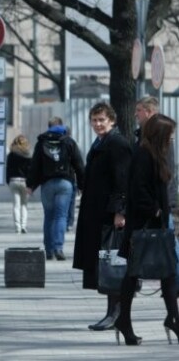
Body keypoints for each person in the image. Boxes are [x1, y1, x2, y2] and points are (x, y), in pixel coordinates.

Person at [115, 113, 179, 345]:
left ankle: (173, 317)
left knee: (168, 273)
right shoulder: (144, 155)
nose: (172, 139)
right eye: (169, 135)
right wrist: (156, 211)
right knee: (133, 275)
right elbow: (138, 191)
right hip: (144, 227)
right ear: (159, 135)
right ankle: (124, 320)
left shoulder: (155, 154)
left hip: (154, 227)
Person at [72, 102, 131, 332]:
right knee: (106, 263)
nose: (97, 124)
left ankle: (116, 314)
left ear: (112, 120)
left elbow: (122, 180)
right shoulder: (102, 142)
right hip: (97, 213)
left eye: (101, 120)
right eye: (94, 120)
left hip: (109, 216)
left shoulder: (117, 144)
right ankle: (112, 312)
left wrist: (120, 211)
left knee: (113, 263)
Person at [27, 116, 85, 261]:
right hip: (65, 184)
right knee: (61, 216)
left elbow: (35, 166)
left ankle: (48, 250)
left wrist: (30, 185)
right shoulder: (69, 142)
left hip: (47, 184)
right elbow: (79, 164)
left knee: (49, 216)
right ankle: (58, 248)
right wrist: (82, 185)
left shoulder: (41, 143)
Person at [6, 134, 32, 234]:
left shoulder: (11, 155)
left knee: (16, 205)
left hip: (13, 181)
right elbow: (31, 170)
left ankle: (17, 227)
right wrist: (30, 184)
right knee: (24, 205)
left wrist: (8, 180)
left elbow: (8, 169)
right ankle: (24, 226)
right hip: (25, 182)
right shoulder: (28, 155)